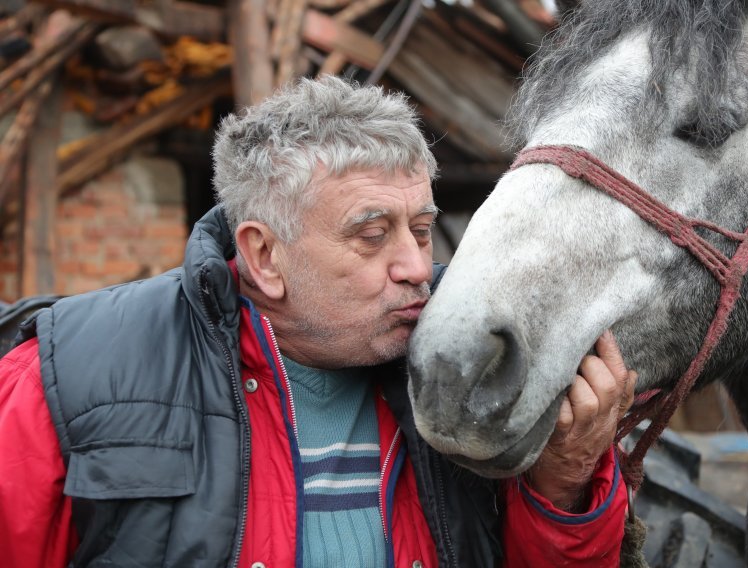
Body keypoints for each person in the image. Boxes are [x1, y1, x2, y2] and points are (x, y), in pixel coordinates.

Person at [0, 76, 635, 567]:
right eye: (372, 235)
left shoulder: (468, 374)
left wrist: (563, 481)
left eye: (421, 230)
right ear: (265, 256)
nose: (418, 268)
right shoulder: (63, 378)